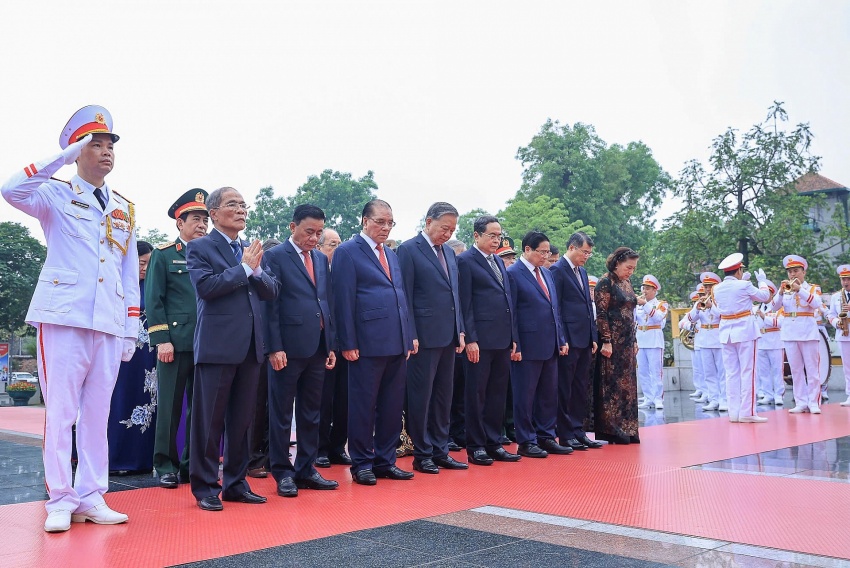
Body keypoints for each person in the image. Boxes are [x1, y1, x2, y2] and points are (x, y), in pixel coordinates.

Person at [1, 105, 137, 532]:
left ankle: (91, 495)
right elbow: (11, 189)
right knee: (61, 412)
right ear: (78, 151)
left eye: (109, 145)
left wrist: (130, 327)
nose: (105, 152)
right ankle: (60, 498)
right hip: (63, 317)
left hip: (109, 322)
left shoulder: (124, 207)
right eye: (94, 145)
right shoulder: (54, 194)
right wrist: (60, 157)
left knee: (97, 413)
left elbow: (128, 271)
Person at [187, 187, 279, 511]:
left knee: (241, 423)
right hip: (217, 346)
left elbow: (270, 291)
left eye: (243, 204)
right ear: (213, 214)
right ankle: (205, 487)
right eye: (232, 205)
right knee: (209, 423)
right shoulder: (200, 247)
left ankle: (236, 483)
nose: (240, 210)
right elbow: (207, 288)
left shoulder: (249, 249)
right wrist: (242, 270)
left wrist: (253, 269)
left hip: (251, 347)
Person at [332, 199, 415, 485]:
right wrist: (348, 341)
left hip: (396, 341)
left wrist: (408, 335)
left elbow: (402, 296)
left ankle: (385, 460)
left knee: (392, 405)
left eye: (390, 222)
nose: (385, 227)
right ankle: (362, 463)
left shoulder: (391, 254)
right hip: (365, 343)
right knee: (363, 406)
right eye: (380, 221)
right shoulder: (347, 252)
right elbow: (343, 300)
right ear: (364, 220)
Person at [263, 205, 338, 497]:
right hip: (288, 347)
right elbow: (270, 304)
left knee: (311, 412)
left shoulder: (320, 258)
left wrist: (331, 343)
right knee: (282, 413)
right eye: (309, 231)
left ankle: (306, 468)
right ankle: (282, 471)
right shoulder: (275, 256)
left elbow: (326, 301)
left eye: (319, 233)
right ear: (292, 227)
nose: (314, 238)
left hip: (317, 346)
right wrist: (274, 347)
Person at [397, 202, 468, 474]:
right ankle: (422, 452)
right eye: (444, 228)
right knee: (421, 397)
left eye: (452, 229)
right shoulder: (408, 249)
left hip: (449, 336)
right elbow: (406, 295)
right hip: (423, 337)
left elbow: (455, 295)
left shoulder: (449, 253)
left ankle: (441, 449)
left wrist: (459, 328)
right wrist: (410, 333)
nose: (447, 234)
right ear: (428, 222)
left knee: (443, 396)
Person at [146, 189, 209, 489]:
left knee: (201, 409)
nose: (202, 225)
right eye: (196, 219)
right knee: (170, 408)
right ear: (179, 223)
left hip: (207, 343)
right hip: (175, 341)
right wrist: (162, 340)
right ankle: (165, 465)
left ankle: (191, 465)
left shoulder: (211, 253)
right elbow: (154, 299)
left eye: (205, 220)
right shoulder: (165, 253)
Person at [457, 215, 521, 466]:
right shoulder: (465, 261)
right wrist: (471, 339)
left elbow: (508, 303)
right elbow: (465, 304)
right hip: (479, 341)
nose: (497, 240)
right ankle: (476, 446)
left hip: (502, 339)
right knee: (476, 394)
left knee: (497, 394)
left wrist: (513, 337)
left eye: (499, 235)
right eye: (491, 235)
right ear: (477, 235)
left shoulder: (498, 261)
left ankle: (494, 442)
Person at [507, 231, 570, 458]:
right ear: (527, 250)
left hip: (550, 343)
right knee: (525, 395)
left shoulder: (546, 273)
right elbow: (511, 312)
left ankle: (546, 436)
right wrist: (515, 343)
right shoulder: (513, 273)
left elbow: (555, 309)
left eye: (547, 252)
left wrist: (560, 338)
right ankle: (526, 440)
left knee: (548, 393)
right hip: (526, 344)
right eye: (541, 252)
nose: (545, 256)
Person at [550, 232, 602, 451]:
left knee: (581, 387)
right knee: (565, 387)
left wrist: (593, 336)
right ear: (572, 248)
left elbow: (588, 309)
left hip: (584, 339)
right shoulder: (557, 270)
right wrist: (561, 338)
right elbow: (557, 308)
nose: (587, 256)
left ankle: (579, 430)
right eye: (584, 252)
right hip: (568, 340)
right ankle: (565, 433)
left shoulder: (582, 271)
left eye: (589, 253)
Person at [108, 241, 157, 472]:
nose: (145, 268)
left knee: (146, 403)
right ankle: (112, 459)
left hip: (148, 359)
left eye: (149, 263)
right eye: (141, 263)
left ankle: (142, 460)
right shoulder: (116, 285)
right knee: (117, 401)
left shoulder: (154, 287)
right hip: (119, 355)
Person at [713, 254, 773, 423]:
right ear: (739, 270)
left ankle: (734, 412)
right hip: (745, 331)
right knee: (748, 371)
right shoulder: (744, 285)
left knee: (731, 373)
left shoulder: (716, 288)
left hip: (726, 332)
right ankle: (747, 412)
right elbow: (764, 297)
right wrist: (762, 281)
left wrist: (744, 283)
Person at [594, 247, 641, 445]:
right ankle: (612, 428)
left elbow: (631, 314)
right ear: (617, 263)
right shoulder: (606, 282)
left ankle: (629, 427)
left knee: (628, 386)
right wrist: (606, 340)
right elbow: (602, 313)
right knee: (612, 385)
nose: (630, 272)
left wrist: (635, 339)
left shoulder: (627, 283)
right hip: (612, 342)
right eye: (628, 267)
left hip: (627, 341)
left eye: (633, 269)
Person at [315, 228, 351, 468]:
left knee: (344, 401)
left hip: (346, 345)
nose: (337, 249)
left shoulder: (345, 272)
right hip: (323, 346)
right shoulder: (315, 271)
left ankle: (338, 447)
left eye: (340, 244)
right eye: (332, 244)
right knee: (321, 401)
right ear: (319, 247)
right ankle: (320, 449)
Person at [246, 237, 281, 479]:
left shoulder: (271, 279)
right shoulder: (253, 276)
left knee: (275, 406)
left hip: (277, 346)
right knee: (255, 406)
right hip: (257, 346)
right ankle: (253, 458)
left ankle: (272, 456)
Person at [772, 255, 823, 414]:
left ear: (803, 272)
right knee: (796, 369)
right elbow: (773, 308)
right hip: (790, 332)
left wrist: (799, 290)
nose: (793, 275)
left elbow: (816, 304)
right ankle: (800, 401)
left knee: (812, 369)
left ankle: (814, 402)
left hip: (807, 331)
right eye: (790, 272)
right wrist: (780, 293)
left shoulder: (813, 288)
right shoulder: (785, 289)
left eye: (796, 271)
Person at [688, 273, 727, 412]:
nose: (708, 288)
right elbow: (690, 318)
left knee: (722, 372)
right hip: (704, 340)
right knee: (709, 373)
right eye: (706, 286)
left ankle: (724, 400)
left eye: (711, 286)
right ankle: (713, 399)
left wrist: (711, 306)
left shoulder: (722, 300)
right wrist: (697, 308)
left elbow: (724, 316)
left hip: (718, 338)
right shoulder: (700, 300)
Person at [446, 239, 469, 451]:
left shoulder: (460, 272)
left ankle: (458, 431)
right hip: (444, 338)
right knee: (447, 393)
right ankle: (448, 435)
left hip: (459, 337)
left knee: (459, 391)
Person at [635, 275, 668, 410]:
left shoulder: (661, 304)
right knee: (642, 371)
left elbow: (659, 318)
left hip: (654, 340)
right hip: (641, 339)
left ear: (655, 290)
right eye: (644, 288)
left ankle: (658, 398)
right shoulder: (638, 304)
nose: (645, 290)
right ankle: (648, 397)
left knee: (655, 371)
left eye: (648, 288)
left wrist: (645, 304)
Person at [755, 280, 784, 406]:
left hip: (775, 342)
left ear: (772, 294)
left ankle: (779, 395)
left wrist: (764, 317)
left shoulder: (779, 308)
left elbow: (780, 323)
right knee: (763, 371)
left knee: (777, 370)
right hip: (761, 342)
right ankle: (767, 394)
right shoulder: (756, 308)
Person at [828, 265, 850, 407]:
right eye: (843, 279)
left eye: (848, 279)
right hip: (843, 334)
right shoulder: (836, 296)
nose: (845, 282)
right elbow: (830, 314)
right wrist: (837, 322)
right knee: (847, 367)